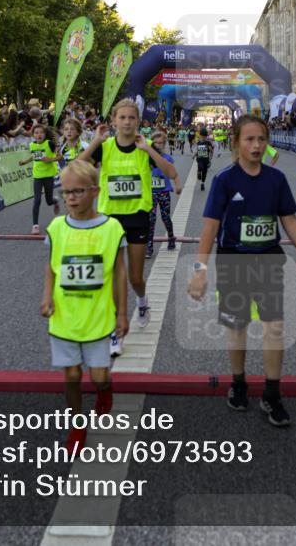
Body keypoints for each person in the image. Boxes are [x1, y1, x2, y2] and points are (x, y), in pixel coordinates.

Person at [188, 115, 296, 427]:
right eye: (249, 139)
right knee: (237, 326)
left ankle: (272, 394)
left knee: (274, 327)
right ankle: (238, 383)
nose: (256, 145)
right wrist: (199, 270)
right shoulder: (224, 180)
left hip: (269, 259)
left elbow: (289, 220)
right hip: (234, 260)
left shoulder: (275, 180)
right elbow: (210, 228)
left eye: (261, 139)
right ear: (235, 143)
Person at [40, 160, 128, 454]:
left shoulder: (112, 228)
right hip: (64, 317)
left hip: (98, 317)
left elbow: (119, 272)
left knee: (99, 376)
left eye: (77, 191)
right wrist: (47, 296)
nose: (71, 197)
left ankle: (105, 392)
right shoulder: (56, 227)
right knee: (72, 375)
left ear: (95, 191)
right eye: (66, 192)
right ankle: (77, 424)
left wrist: (123, 312)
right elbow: (51, 267)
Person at [79, 99, 177, 355]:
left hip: (137, 218)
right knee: (113, 275)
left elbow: (172, 172)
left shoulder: (145, 148)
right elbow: (75, 169)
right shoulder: (106, 146)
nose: (126, 122)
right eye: (121, 118)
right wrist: (95, 143)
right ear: (113, 121)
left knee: (134, 277)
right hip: (110, 220)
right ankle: (116, 331)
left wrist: (150, 151)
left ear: (138, 121)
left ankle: (142, 301)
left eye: (131, 118)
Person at [146, 129, 182, 259]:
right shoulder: (146, 157)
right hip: (151, 192)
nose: (158, 145)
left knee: (165, 217)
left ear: (164, 144)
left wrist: (178, 185)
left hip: (164, 192)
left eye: (161, 143)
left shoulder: (167, 158)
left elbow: (173, 173)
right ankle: (149, 246)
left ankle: (171, 237)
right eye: (155, 143)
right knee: (151, 219)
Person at [18, 123, 59, 235]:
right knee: (37, 200)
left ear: (45, 134)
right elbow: (34, 156)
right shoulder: (32, 145)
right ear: (33, 135)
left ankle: (55, 201)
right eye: (36, 133)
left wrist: (50, 159)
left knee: (49, 201)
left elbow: (60, 156)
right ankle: (35, 225)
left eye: (41, 132)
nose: (39, 134)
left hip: (48, 175)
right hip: (37, 176)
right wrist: (25, 162)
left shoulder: (49, 143)